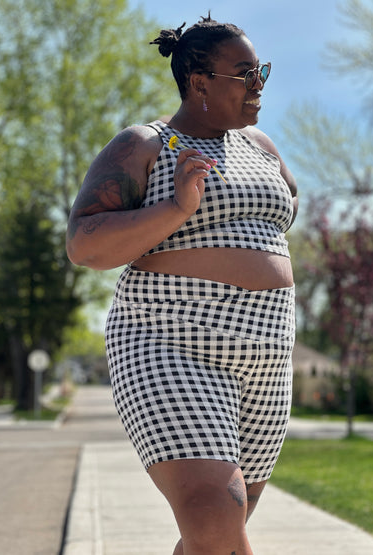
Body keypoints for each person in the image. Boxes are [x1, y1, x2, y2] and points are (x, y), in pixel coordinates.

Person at [66, 13, 298, 555]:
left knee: (212, 535)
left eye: (261, 70)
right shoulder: (146, 145)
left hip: (265, 359)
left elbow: (284, 205)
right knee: (214, 516)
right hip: (172, 344)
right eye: (245, 73)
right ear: (199, 83)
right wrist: (175, 209)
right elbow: (83, 243)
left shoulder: (260, 146)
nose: (258, 83)